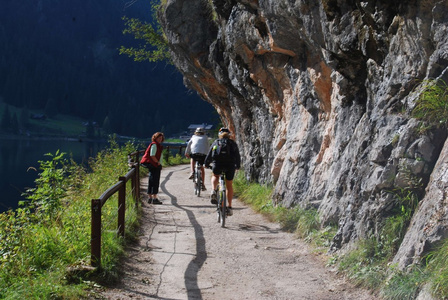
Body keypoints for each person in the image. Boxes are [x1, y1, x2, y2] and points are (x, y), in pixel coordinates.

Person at [204, 127, 241, 216]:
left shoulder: (216, 142)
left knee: (215, 176)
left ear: (219, 134)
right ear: (229, 135)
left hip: (218, 164)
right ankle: (230, 207)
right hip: (230, 165)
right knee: (229, 185)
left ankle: (213, 190)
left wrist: (206, 163)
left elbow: (209, 154)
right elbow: (237, 156)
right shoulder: (232, 143)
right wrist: (237, 166)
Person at [140, 132, 165, 204]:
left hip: (153, 165)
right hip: (154, 165)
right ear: (155, 138)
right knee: (155, 181)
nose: (160, 139)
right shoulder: (155, 145)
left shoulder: (154, 144)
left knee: (151, 180)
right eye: (158, 138)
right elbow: (152, 155)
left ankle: (150, 197)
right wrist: (158, 163)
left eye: (161, 138)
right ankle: (154, 198)